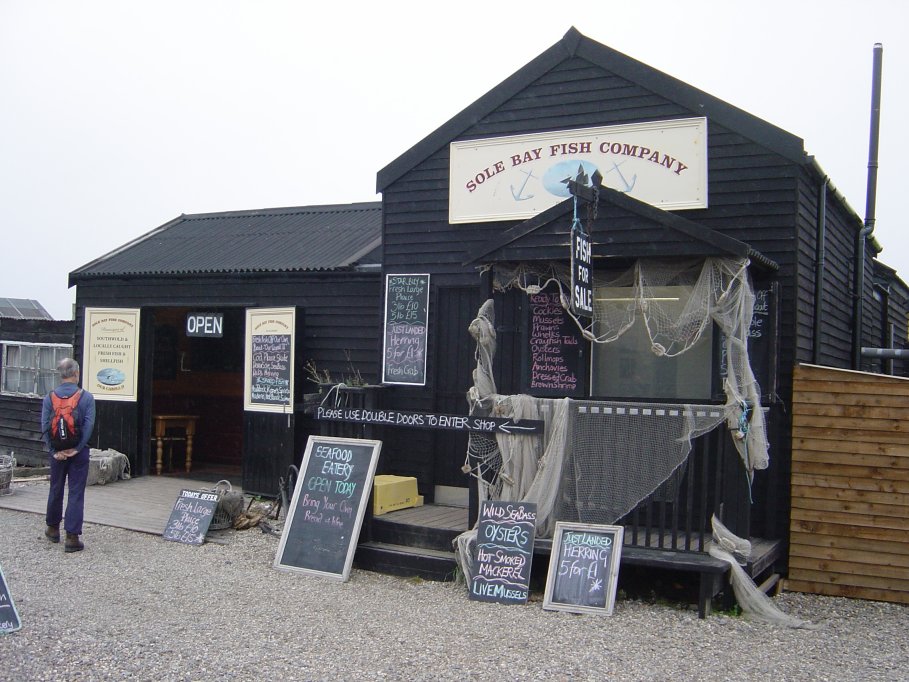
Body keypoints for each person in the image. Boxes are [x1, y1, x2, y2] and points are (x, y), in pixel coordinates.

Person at [41, 357, 96, 553]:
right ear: (76, 374)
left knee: (55, 488)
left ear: (60, 375)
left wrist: (54, 450)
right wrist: (78, 448)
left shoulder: (50, 398)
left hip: (57, 452)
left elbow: (45, 426)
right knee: (76, 491)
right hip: (78, 453)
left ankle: (52, 528)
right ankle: (72, 537)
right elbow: (89, 426)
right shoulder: (86, 398)